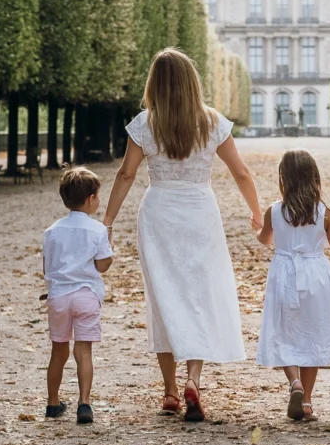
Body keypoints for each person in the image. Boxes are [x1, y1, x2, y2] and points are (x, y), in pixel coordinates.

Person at [103, 48, 262, 422]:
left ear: (154, 84)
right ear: (193, 83)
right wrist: (257, 212)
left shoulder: (145, 124)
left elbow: (126, 174)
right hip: (199, 212)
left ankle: (170, 390)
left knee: (163, 297)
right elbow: (241, 172)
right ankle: (194, 378)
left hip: (159, 212)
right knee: (198, 295)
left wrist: (107, 220)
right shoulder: (211, 122)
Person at [255, 150, 330, 421]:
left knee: (284, 331)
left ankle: (293, 381)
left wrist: (257, 228)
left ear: (283, 178)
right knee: (312, 334)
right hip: (315, 276)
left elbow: (265, 239)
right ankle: (306, 401)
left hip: (284, 273)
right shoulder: (326, 214)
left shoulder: (274, 210)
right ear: (314, 177)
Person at [42, 166, 114, 424]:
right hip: (86, 295)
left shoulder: (52, 231)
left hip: (59, 296)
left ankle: (53, 403)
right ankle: (84, 403)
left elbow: (47, 267)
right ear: (91, 199)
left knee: (58, 352)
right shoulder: (98, 230)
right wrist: (109, 248)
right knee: (83, 351)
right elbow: (102, 265)